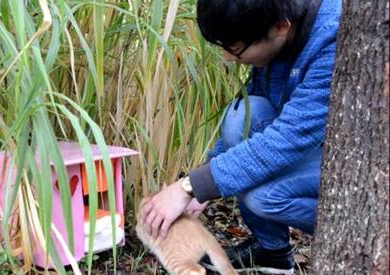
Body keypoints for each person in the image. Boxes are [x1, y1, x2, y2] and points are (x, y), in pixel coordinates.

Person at [140, 0, 342, 273]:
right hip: (315, 143)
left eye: (235, 50)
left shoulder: (333, 37)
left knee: (262, 197)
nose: (228, 58)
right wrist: (202, 186)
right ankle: (274, 253)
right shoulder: (273, 22)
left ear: (281, 27)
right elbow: (250, 120)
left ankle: (357, 228)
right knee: (243, 115)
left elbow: (289, 138)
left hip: (358, 166)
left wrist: (188, 186)